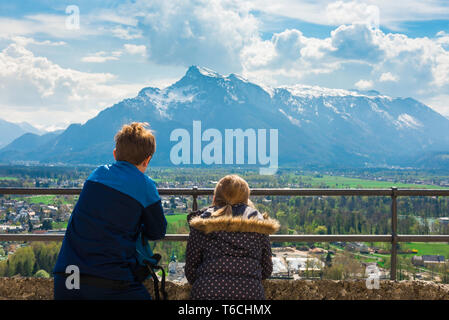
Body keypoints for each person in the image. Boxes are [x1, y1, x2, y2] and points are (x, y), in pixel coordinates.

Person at [53, 122, 167, 300]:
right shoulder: (145, 186)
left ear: (115, 154)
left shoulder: (96, 175)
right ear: (148, 159)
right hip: (111, 281)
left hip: (66, 278)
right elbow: (158, 231)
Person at [185, 174, 279, 300]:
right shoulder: (259, 228)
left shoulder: (202, 226)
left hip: (205, 292)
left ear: (214, 199)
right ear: (246, 201)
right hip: (250, 293)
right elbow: (266, 269)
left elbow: (191, 270)